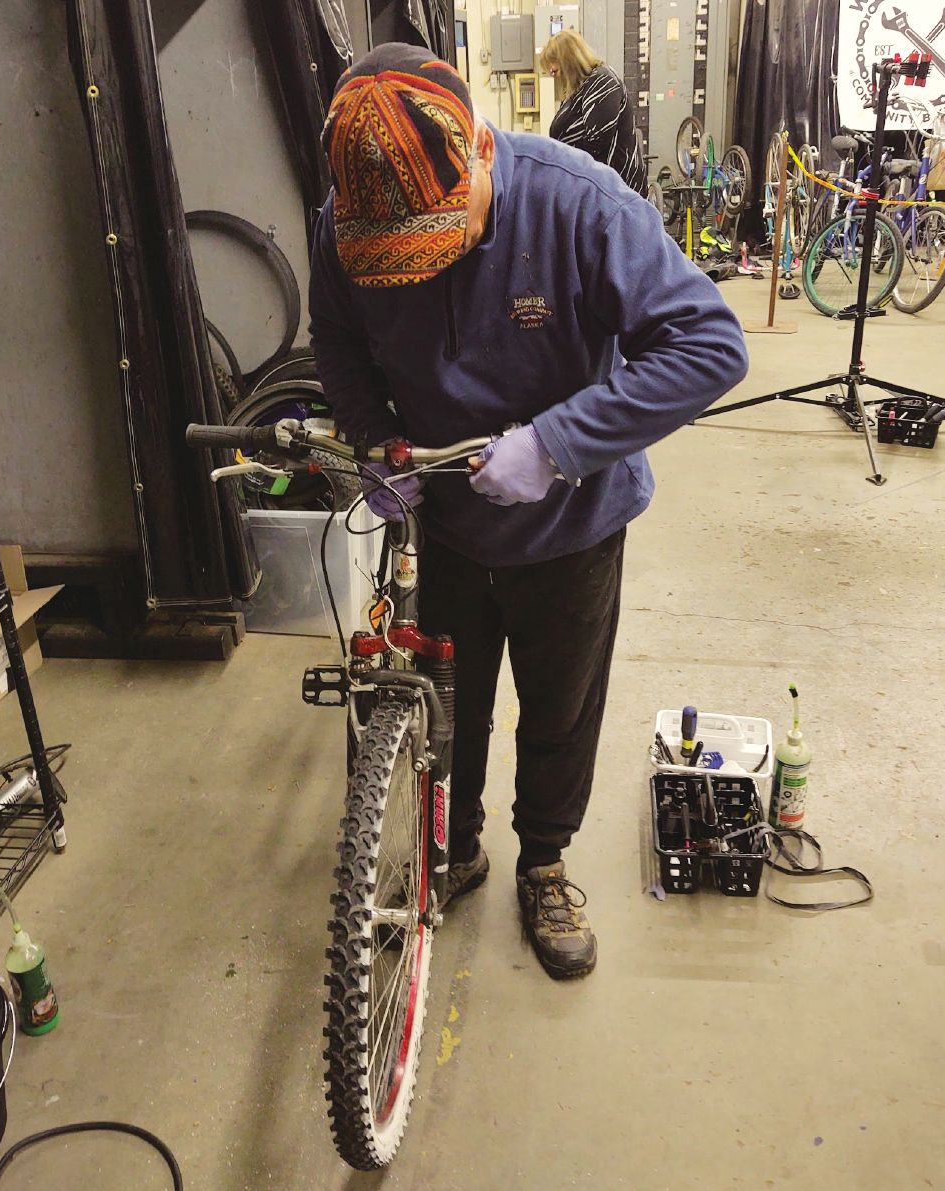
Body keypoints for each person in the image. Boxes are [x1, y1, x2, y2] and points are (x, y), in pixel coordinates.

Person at [309, 44, 748, 980]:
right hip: (444, 516)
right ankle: (454, 845)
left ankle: (543, 859)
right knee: (448, 705)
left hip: (569, 523)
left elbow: (709, 345)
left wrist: (556, 444)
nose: (421, 271)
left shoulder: (581, 205)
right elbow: (341, 346)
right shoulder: (349, 221)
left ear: (477, 148)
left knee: (558, 704)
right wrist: (373, 438)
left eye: (443, 238)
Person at [540, 29, 646, 195]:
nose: (554, 77)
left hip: (612, 191)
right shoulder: (577, 90)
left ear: (569, 61)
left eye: (555, 71)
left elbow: (596, 145)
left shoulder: (602, 82)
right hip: (591, 187)